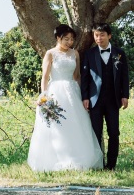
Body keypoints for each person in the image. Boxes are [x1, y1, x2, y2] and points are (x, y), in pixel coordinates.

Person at [27, 24, 104, 171]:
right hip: (55, 91)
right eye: (66, 39)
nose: (69, 42)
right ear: (58, 38)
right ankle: (56, 159)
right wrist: (44, 96)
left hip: (73, 91)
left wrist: (83, 95)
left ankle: (78, 158)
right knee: (57, 125)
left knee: (77, 123)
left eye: (71, 39)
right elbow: (44, 77)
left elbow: (77, 76)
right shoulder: (50, 53)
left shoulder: (75, 54)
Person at [80, 23, 130, 170]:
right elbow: (85, 78)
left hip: (114, 100)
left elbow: (124, 76)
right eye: (96, 35)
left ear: (109, 35)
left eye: (102, 35)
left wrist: (125, 95)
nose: (98, 38)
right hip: (95, 100)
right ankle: (98, 164)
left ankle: (111, 165)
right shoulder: (89, 54)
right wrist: (85, 97)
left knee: (114, 133)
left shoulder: (119, 53)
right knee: (95, 134)